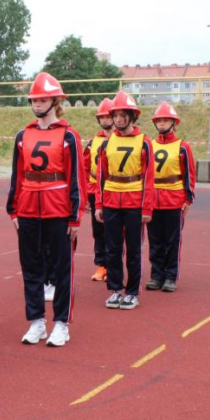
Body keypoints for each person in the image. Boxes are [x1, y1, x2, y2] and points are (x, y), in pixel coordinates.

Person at [7, 72, 86, 347]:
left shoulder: (69, 136)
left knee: (61, 269)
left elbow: (77, 177)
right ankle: (37, 322)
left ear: (55, 100)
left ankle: (61, 323)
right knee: (31, 268)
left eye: (43, 99)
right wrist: (13, 210)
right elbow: (17, 175)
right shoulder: (22, 135)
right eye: (34, 99)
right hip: (28, 208)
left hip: (58, 209)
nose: (38, 103)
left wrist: (75, 216)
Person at [95, 91, 154, 310]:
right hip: (111, 200)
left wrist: (147, 208)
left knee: (134, 249)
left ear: (131, 116)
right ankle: (115, 290)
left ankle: (132, 292)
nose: (118, 120)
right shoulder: (106, 143)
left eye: (122, 115)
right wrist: (99, 205)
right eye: (115, 116)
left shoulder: (144, 142)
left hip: (134, 202)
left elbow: (149, 178)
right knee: (112, 248)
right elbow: (101, 175)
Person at [145, 102, 195, 293]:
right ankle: (156, 275)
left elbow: (189, 174)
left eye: (166, 120)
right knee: (155, 240)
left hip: (174, 199)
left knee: (172, 241)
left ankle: (170, 276)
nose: (163, 124)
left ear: (174, 123)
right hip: (153, 200)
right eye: (160, 121)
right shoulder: (150, 145)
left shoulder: (182, 147)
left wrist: (188, 199)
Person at [83, 97, 114, 283]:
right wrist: (86, 195)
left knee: (116, 232)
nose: (104, 120)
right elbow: (85, 169)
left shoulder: (123, 140)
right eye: (101, 117)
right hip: (96, 191)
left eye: (107, 116)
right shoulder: (92, 142)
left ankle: (115, 265)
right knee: (99, 231)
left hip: (116, 190)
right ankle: (102, 266)